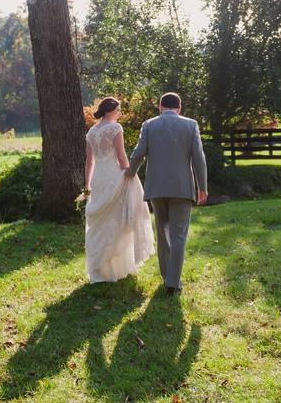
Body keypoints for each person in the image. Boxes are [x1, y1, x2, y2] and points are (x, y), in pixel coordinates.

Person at [126, 92, 207, 296]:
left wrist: (129, 174)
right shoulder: (191, 125)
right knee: (178, 235)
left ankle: (166, 278)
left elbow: (138, 154)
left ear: (160, 107)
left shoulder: (149, 125)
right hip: (182, 188)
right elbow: (199, 158)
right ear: (179, 108)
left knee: (163, 234)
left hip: (157, 188)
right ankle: (173, 282)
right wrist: (202, 187)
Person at [84, 97, 155, 283]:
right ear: (110, 110)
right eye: (118, 110)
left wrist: (87, 185)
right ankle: (114, 266)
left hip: (99, 179)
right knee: (119, 219)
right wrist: (129, 172)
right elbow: (121, 155)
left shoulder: (91, 132)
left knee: (100, 223)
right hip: (114, 177)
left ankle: (101, 268)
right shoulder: (116, 128)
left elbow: (89, 162)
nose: (120, 113)